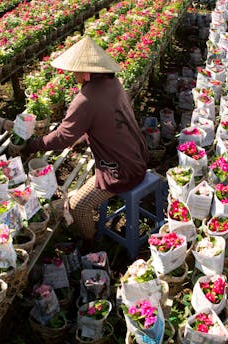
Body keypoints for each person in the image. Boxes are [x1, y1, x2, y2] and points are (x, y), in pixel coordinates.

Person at [26, 36, 149, 251]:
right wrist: (84, 136)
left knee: (77, 207)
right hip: (137, 155)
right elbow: (107, 121)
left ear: (85, 72)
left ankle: (91, 246)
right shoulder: (114, 84)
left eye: (74, 71)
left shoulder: (85, 99)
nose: (72, 75)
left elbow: (63, 137)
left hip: (122, 171)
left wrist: (35, 144)